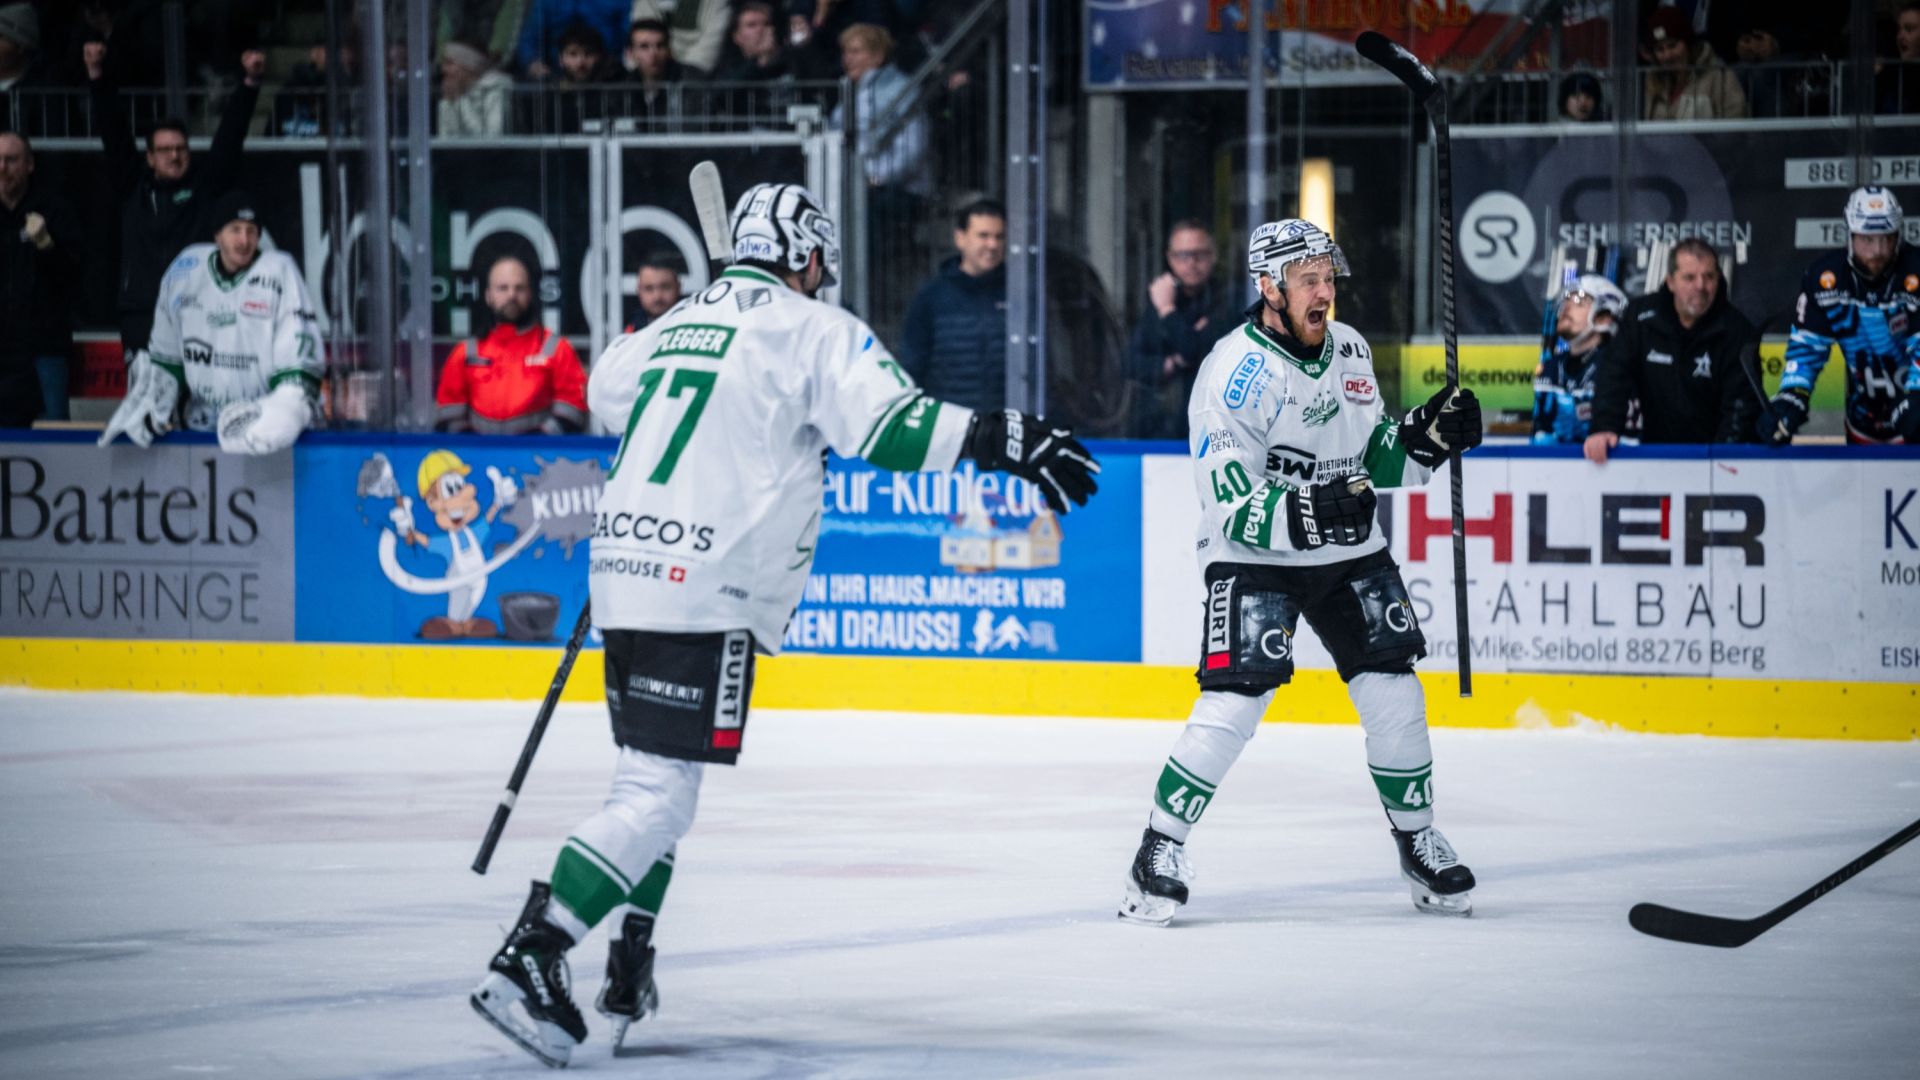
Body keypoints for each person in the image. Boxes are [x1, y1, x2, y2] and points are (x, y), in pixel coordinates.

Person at [468, 181, 1099, 1067]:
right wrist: (1008, 438)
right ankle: (533, 955)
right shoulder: (815, 330)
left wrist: (692, 325)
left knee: (650, 789)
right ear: (808, 258)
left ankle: (627, 962)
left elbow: (611, 393)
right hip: (706, 586)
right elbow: (895, 428)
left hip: (624, 578)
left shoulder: (670, 324)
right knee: (657, 796)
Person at [1114, 218, 1483, 928]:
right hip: (1253, 554)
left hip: (1345, 551)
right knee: (1234, 704)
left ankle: (1418, 842)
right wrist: (1314, 514)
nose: (1323, 293)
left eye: (1327, 278)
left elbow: (1376, 457)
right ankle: (1157, 849)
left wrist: (1426, 439)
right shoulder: (1231, 372)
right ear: (1268, 287)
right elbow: (1229, 505)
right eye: (1307, 280)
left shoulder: (1349, 349)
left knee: (1395, 695)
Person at [97, 192, 322, 454]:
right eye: (235, 229)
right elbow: (168, 361)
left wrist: (285, 409)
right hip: (198, 431)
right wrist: (155, 397)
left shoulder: (280, 272)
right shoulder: (185, 271)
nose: (244, 240)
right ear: (217, 235)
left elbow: (299, 370)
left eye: (252, 231)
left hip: (260, 431)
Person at [88, 42, 263, 368]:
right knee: (147, 400)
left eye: (181, 148)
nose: (175, 155)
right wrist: (97, 77)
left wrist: (250, 84)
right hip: (142, 311)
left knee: (195, 399)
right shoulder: (132, 188)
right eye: (165, 150)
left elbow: (229, 137)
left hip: (198, 308)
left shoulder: (204, 186)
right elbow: (113, 134)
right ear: (150, 158)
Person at [1763, 186, 1920, 446]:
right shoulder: (1824, 277)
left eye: (1887, 238)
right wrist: (1792, 396)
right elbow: (1807, 348)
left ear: (1898, 236)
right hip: (1861, 421)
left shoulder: (1915, 269)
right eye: (1867, 239)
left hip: (1913, 415)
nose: (1877, 252)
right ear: (1850, 236)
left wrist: (1916, 396)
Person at [1584, 239, 1758, 463]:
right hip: (1656, 455)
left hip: (1718, 460)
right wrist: (1604, 427)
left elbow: (1741, 405)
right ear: (1671, 281)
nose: (1701, 286)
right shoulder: (1640, 318)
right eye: (1689, 277)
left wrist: (1721, 458)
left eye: (1709, 276)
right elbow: (1613, 376)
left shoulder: (1737, 330)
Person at [434, 254, 588, 434]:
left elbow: (573, 413)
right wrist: (477, 448)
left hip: (538, 458)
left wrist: (535, 443)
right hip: (476, 460)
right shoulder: (465, 352)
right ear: (488, 296)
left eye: (519, 288)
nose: (512, 295)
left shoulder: (557, 349)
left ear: (530, 294)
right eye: (503, 288)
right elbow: (447, 417)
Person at [0, 132, 81, 428]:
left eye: (11, 160)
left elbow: (73, 276)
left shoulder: (54, 209)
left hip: (44, 349)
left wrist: (47, 244)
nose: (3, 168)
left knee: (55, 436)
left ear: (29, 164)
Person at [1128, 219, 1237, 439]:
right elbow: (1129, 363)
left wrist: (1167, 311)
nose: (1191, 263)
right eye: (1182, 256)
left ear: (1213, 256)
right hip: (1159, 428)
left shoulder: (1226, 299)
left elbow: (1195, 352)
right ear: (1170, 258)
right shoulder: (1159, 300)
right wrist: (1172, 363)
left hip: (1213, 429)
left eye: (1200, 254)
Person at [897, 198, 1007, 412]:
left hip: (1007, 426)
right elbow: (912, 368)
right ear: (960, 238)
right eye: (983, 236)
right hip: (950, 427)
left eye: (999, 237)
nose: (992, 245)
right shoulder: (931, 297)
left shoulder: (1021, 294)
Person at [1532, 274, 1627, 444]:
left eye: (1579, 302)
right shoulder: (1550, 368)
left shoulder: (1618, 369)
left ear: (1604, 317)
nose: (1566, 307)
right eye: (1566, 301)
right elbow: (1539, 439)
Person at [1641, 9, 1747, 121]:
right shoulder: (1653, 83)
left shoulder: (1719, 76)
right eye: (1660, 49)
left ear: (1688, 44)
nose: (1667, 55)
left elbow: (1736, 123)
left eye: (1672, 46)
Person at [622, 18, 696, 126]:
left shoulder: (693, 83)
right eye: (644, 46)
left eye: (660, 45)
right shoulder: (623, 85)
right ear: (630, 53)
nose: (653, 54)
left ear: (669, 50)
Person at [627, 0, 731, 74]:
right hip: (655, 77)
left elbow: (710, 46)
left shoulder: (718, 3)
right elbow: (643, 34)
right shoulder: (646, 3)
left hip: (697, 76)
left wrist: (681, 75)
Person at [439, 38, 514, 135]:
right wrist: (449, 103)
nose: (443, 69)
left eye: (450, 63)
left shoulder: (496, 90)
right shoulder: (452, 93)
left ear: (469, 66)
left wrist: (460, 101)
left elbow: (492, 137)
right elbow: (445, 139)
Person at [625, 255, 682, 331]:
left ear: (678, 288)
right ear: (638, 290)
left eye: (665, 287)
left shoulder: (694, 320)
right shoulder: (630, 328)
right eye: (649, 288)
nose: (657, 297)